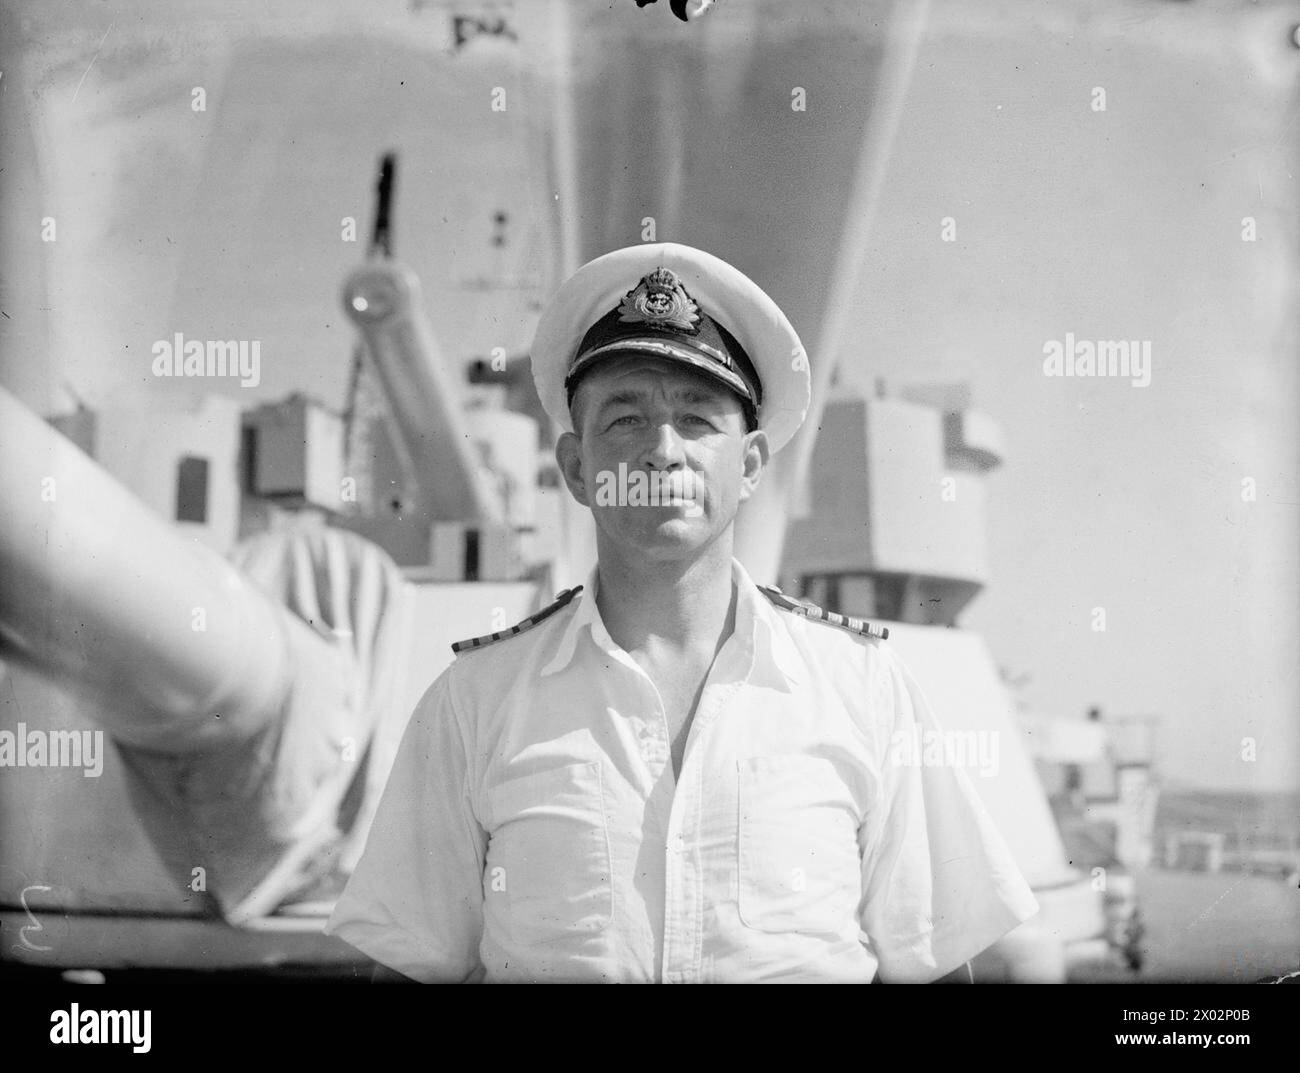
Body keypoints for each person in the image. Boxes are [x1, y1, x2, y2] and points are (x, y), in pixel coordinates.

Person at [325, 242, 1039, 983]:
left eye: (697, 419)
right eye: (625, 420)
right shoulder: (474, 703)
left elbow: (932, 962)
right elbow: (411, 968)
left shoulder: (863, 689)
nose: (663, 452)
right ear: (576, 467)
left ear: (752, 463)